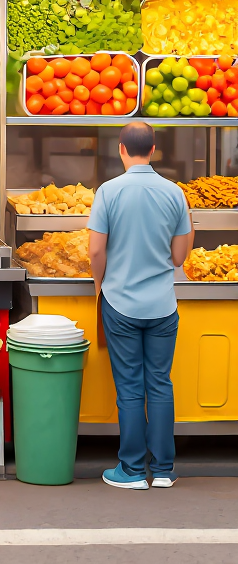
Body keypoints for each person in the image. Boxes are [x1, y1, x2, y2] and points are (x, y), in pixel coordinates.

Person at [88, 122, 193, 490]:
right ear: (153, 151)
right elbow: (179, 257)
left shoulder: (108, 191)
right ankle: (163, 470)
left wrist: (100, 284)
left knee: (131, 387)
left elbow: (96, 249)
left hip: (121, 303)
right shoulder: (174, 193)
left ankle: (131, 471)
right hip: (163, 306)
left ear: (120, 150)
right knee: (160, 384)